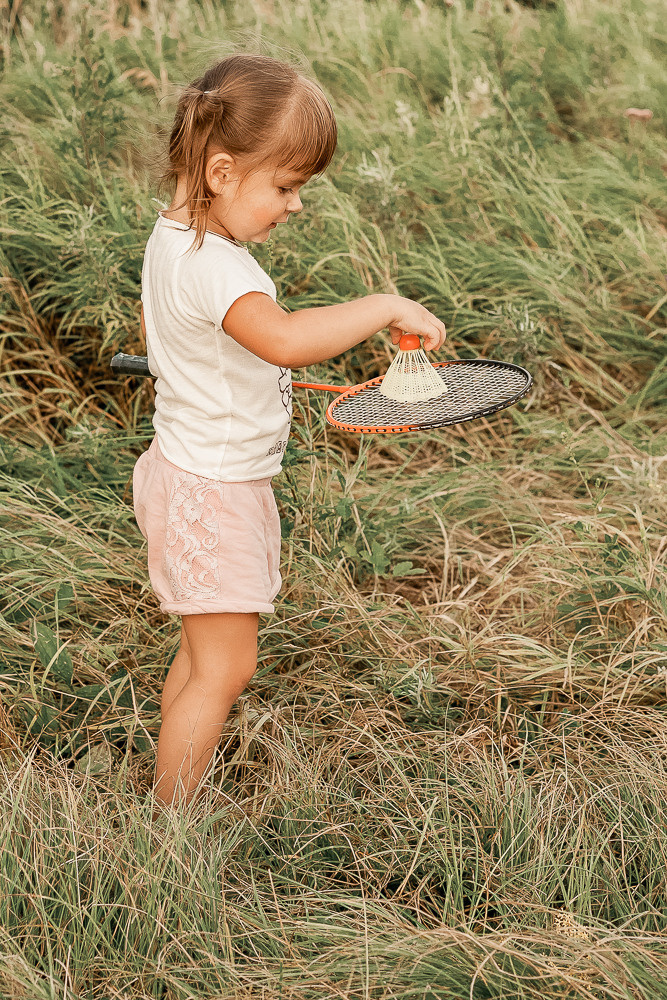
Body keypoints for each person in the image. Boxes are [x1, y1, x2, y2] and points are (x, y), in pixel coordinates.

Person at [132, 52, 447, 813]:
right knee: (225, 669)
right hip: (213, 492)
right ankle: (167, 834)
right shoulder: (224, 270)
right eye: (286, 186)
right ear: (222, 172)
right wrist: (384, 305)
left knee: (202, 654)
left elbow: (178, 342)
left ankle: (161, 801)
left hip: (184, 473)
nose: (295, 205)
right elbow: (284, 339)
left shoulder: (171, 239)